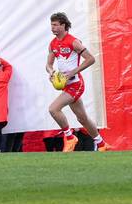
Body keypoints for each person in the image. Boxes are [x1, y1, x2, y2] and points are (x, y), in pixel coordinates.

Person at [45, 11, 107, 152]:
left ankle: (69, 137)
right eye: (51, 25)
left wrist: (73, 72)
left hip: (76, 84)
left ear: (63, 25)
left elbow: (91, 59)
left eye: (55, 25)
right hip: (66, 85)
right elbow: (48, 64)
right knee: (82, 118)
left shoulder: (73, 41)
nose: (52, 28)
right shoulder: (53, 44)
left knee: (53, 109)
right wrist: (51, 72)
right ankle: (102, 144)